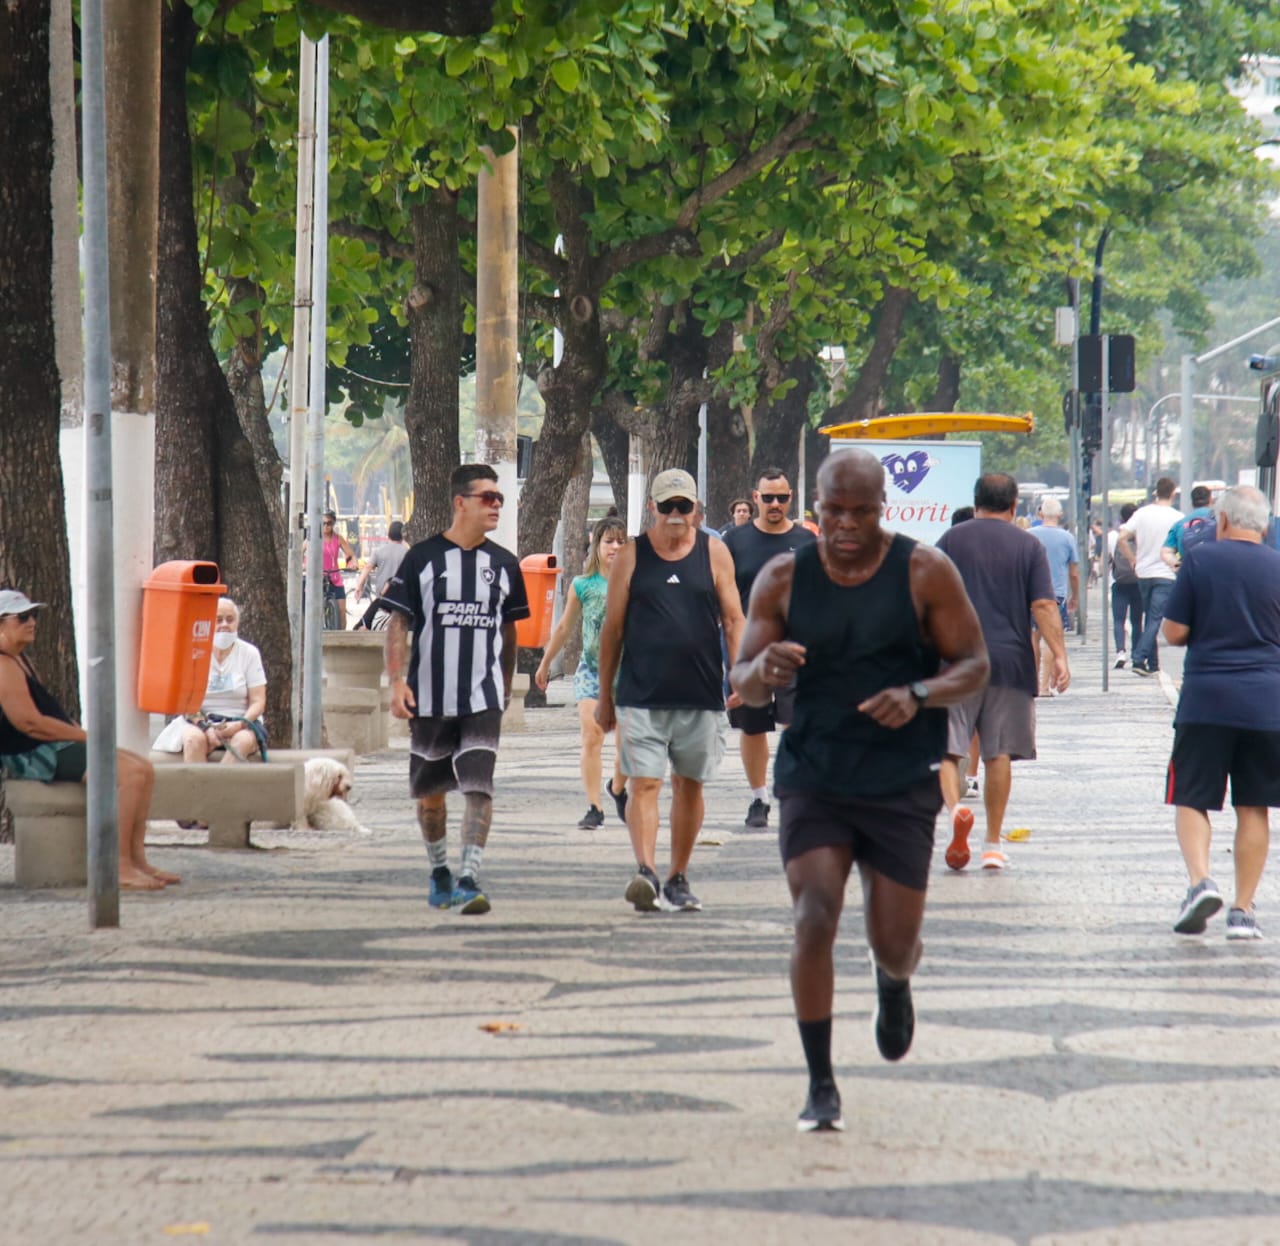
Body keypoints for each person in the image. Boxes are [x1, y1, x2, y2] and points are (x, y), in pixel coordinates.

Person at [730, 450, 989, 1131]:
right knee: (814, 913)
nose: (846, 524)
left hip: (900, 777)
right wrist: (763, 668)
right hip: (815, 773)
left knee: (894, 941)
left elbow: (975, 664)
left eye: (861, 512)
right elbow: (743, 681)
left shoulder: (924, 571)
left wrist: (919, 693)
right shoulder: (784, 577)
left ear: (883, 508)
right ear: (816, 507)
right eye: (834, 511)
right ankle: (820, 1084)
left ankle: (894, 979)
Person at [381, 465, 530, 915]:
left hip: (483, 697)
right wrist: (396, 682)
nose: (496, 505)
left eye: (499, 498)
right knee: (431, 798)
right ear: (460, 502)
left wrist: (505, 685)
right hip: (430, 696)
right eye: (488, 497)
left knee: (479, 787)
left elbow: (510, 631)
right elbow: (398, 621)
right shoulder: (422, 558)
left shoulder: (504, 564)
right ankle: (440, 871)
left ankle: (469, 877)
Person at [595, 467, 744, 914]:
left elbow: (734, 619)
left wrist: (740, 673)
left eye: (684, 505)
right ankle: (646, 871)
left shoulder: (714, 552)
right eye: (667, 506)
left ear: (696, 508)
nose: (676, 513)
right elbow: (612, 630)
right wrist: (605, 696)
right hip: (640, 693)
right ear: (652, 508)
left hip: (700, 692)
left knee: (689, 785)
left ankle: (678, 877)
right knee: (644, 783)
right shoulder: (631, 556)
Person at [1162, 486, 1280, 941]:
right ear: (1263, 526)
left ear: (1224, 520)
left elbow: (1174, 632)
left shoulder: (1200, 560)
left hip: (1206, 700)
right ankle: (1243, 912)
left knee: (1191, 796)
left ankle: (1200, 882)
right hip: (1266, 705)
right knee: (1254, 806)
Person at [0, 589, 178, 891]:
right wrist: (86, 737)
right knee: (128, 774)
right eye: (22, 617)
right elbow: (29, 723)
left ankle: (137, 860)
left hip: (49, 744)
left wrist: (86, 738)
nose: (32, 622)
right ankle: (117, 865)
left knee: (143, 767)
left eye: (34, 615)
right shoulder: (3, 665)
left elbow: (47, 713)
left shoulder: (20, 660)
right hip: (32, 754)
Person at [936, 473, 1070, 871]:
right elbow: (1043, 605)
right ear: (1014, 505)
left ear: (975, 501)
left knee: (947, 749)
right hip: (1009, 661)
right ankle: (992, 844)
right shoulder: (1028, 545)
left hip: (954, 660)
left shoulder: (950, 541)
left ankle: (956, 811)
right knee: (998, 754)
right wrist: (1059, 655)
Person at [721, 467, 816, 829]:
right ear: (755, 497)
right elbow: (724, 598)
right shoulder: (735, 541)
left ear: (791, 498)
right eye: (768, 497)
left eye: (782, 497)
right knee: (753, 728)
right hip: (749, 651)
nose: (775, 504)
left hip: (796, 650)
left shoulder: (806, 541)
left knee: (797, 726)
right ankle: (759, 798)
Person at [535, 514, 629, 829]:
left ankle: (617, 787)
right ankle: (594, 807)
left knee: (628, 746)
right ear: (596, 544)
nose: (615, 547)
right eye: (609, 541)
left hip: (629, 674)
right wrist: (546, 663)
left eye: (620, 541)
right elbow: (564, 627)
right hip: (591, 671)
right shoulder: (582, 585)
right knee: (592, 735)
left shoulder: (636, 581)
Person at [152, 597, 267, 767]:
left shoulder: (250, 653)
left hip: (241, 721)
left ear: (237, 623)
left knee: (242, 741)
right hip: (199, 721)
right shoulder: (193, 652)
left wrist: (239, 724)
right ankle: (199, 784)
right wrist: (206, 728)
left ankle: (220, 782)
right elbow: (186, 702)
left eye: (230, 619)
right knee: (193, 740)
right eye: (218, 620)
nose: (224, 625)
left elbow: (258, 701)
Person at [1116, 476, 1182, 676]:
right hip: (1165, 573)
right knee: (1155, 619)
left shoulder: (1142, 513)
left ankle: (1153, 663)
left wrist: (1132, 559)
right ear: (1173, 493)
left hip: (1143, 573)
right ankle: (1139, 658)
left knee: (1149, 618)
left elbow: (1122, 538)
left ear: (1156, 493)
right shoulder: (1178, 517)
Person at [1028, 497, 1078, 695]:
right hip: (1057, 594)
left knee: (1033, 638)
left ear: (1040, 514)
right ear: (1060, 515)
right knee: (1053, 639)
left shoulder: (1029, 535)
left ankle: (1032, 683)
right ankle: (1044, 686)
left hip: (1032, 593)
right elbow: (1074, 573)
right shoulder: (1068, 538)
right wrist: (1075, 595)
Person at [354, 520, 409, 630]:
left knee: (369, 623)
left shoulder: (379, 551)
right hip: (401, 599)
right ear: (403, 536)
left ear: (388, 534)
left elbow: (367, 567)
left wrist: (359, 586)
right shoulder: (407, 553)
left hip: (382, 598)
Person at [1108, 503, 1143, 668]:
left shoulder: (1113, 536)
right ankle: (1136, 654)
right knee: (1137, 621)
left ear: (1121, 517)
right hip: (1138, 581)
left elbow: (1107, 558)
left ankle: (1120, 652)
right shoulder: (1141, 536)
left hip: (1119, 582)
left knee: (1118, 620)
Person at [1161, 484, 1215, 571]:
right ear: (1210, 499)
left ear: (1192, 502)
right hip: (1215, 571)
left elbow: (1166, 552)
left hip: (1190, 572)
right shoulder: (1221, 520)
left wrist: (1179, 567)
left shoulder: (1179, 524)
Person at [320, 510, 356, 629]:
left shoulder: (338, 538)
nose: (326, 526)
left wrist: (353, 563)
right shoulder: (315, 538)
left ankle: (342, 635)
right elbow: (301, 551)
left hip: (335, 577)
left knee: (341, 611)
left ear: (333, 523)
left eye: (329, 523)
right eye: (323, 523)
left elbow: (351, 554)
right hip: (319, 577)